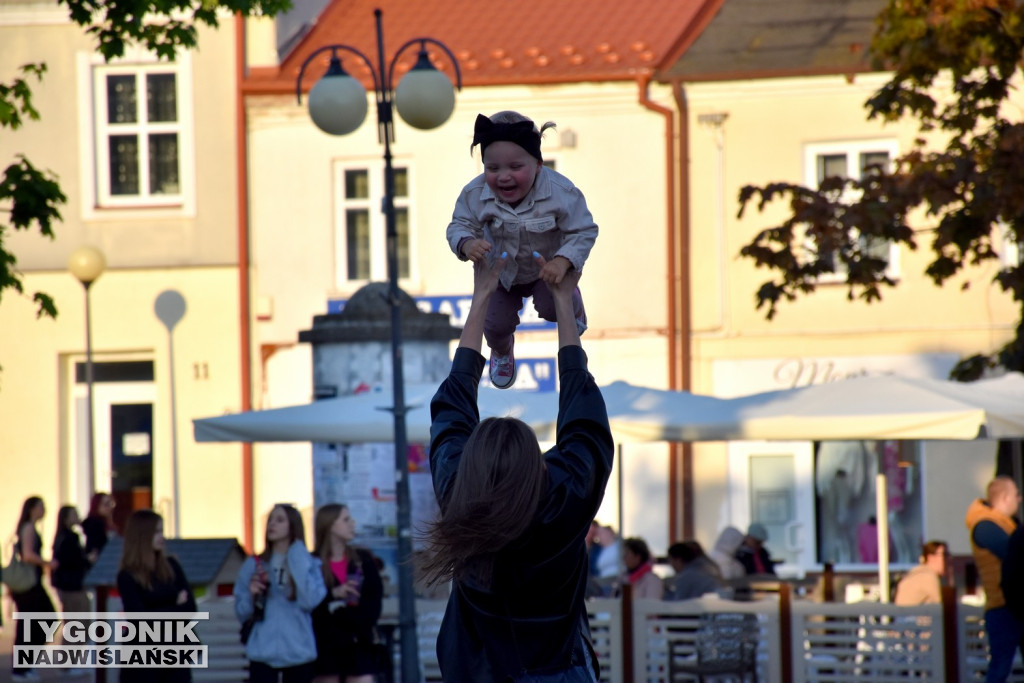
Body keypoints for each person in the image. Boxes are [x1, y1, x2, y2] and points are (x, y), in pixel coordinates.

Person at [420, 253, 613, 681]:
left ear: (472, 465)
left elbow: (453, 403)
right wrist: (562, 301)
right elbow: (584, 415)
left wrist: (482, 297)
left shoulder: (459, 495)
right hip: (557, 671)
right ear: (538, 467)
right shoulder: (565, 498)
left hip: (478, 672)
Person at [446, 110, 598, 389]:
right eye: (493, 169)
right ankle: (502, 351)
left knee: (555, 307)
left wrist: (564, 261)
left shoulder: (560, 192)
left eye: (515, 167)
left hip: (547, 270)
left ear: (538, 164)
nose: (504, 177)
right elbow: (459, 224)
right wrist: (467, 243)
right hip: (501, 275)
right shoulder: (475, 194)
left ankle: (573, 306)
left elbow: (583, 229)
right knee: (494, 326)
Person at [234, 504, 327, 683]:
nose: (272, 525)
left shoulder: (310, 563)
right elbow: (241, 612)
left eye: (280, 520)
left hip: (299, 653)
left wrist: (297, 557)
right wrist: (251, 595)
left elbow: (309, 601)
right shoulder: (254, 564)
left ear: (293, 526)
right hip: (262, 653)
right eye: (270, 520)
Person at [117, 509, 197, 682]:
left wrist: (156, 609)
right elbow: (139, 620)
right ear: (141, 536)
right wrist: (175, 606)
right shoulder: (127, 576)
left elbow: (190, 608)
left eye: (161, 531)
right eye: (156, 532)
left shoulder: (172, 566)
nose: (161, 536)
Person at [311, 503, 383, 683]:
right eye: (346, 519)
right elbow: (307, 602)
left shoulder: (362, 560)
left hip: (358, 642)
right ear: (330, 525)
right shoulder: (312, 563)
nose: (352, 523)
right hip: (323, 646)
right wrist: (333, 594)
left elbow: (374, 599)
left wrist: (357, 621)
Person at [965, 475, 1024, 682]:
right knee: (1000, 668)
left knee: (1001, 665)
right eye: (1017, 495)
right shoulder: (986, 526)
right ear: (1006, 497)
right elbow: (1013, 553)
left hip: (1014, 604)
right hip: (1002, 606)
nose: (1020, 499)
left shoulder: (1005, 524)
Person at [9, 496, 57, 681]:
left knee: (44, 622)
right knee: (32, 624)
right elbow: (28, 555)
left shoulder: (31, 528)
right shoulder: (28, 528)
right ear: (31, 509)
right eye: (40, 506)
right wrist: (47, 563)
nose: (44, 510)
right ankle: (21, 669)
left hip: (33, 584)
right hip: (28, 585)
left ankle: (27, 664)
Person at [51, 505, 94, 614]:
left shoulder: (62, 537)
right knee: (79, 619)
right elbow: (72, 560)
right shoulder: (69, 538)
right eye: (74, 515)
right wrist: (88, 560)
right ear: (66, 519)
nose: (78, 517)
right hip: (72, 585)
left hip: (68, 585)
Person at [894, 540, 948, 606]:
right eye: (945, 554)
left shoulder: (915, 572)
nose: (948, 558)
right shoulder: (929, 577)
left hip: (903, 614)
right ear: (931, 557)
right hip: (912, 615)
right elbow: (941, 608)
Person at [82, 491, 118, 558]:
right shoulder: (93, 525)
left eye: (111, 504)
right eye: (106, 504)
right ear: (97, 505)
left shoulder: (110, 523)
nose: (110, 507)